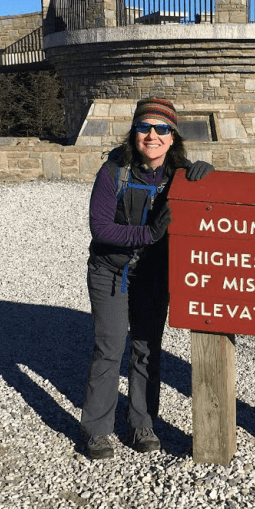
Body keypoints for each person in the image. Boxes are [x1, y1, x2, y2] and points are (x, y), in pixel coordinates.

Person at [81, 98, 214, 460]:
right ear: (134, 132)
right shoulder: (114, 171)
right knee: (109, 349)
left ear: (173, 137)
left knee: (146, 349)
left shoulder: (181, 174)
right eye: (144, 128)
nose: (152, 135)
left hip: (152, 275)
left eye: (161, 129)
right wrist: (147, 235)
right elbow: (100, 228)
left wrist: (206, 175)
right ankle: (96, 431)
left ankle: (142, 423)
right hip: (111, 271)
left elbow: (208, 209)